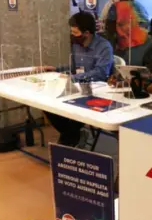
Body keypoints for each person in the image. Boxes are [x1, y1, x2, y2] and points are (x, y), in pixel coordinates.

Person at [44, 12, 114, 146]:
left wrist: (73, 78)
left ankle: (70, 138)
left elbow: (100, 73)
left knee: (75, 109)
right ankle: (72, 135)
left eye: (75, 33)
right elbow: (74, 68)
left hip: (97, 92)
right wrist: (56, 70)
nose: (72, 36)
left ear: (86, 33)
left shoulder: (104, 47)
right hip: (78, 88)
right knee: (48, 104)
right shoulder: (76, 45)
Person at [106, 0, 150, 66]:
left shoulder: (115, 7)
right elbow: (146, 24)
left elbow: (110, 28)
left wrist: (112, 46)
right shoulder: (139, 6)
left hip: (127, 47)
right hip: (143, 44)